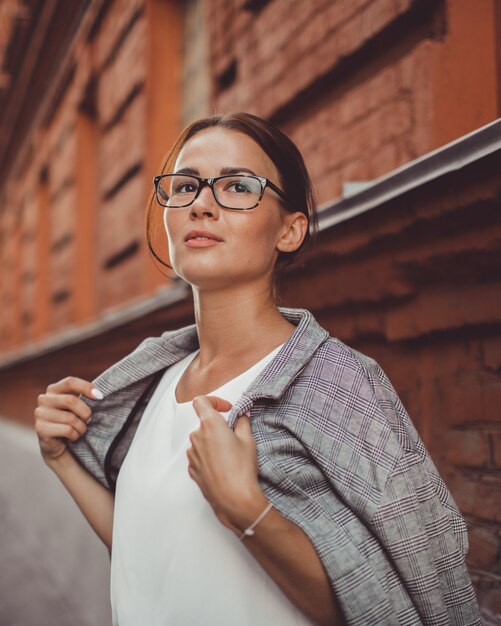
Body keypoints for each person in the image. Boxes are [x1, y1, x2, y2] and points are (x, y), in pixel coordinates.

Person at [34, 112, 481, 626]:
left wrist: (247, 510)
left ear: (290, 231)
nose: (201, 204)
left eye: (238, 186)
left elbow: (392, 602)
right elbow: (148, 547)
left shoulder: (340, 386)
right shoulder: (153, 382)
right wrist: (62, 459)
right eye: (185, 186)